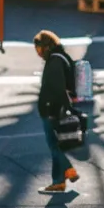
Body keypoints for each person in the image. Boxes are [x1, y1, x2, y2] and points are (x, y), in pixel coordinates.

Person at [33, 30, 80, 194]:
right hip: (57, 109)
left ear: (46, 46)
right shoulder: (62, 57)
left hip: (52, 110)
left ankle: (68, 169)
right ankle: (58, 182)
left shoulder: (54, 62)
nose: (38, 53)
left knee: (53, 145)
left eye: (38, 49)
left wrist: (54, 111)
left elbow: (57, 88)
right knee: (56, 145)